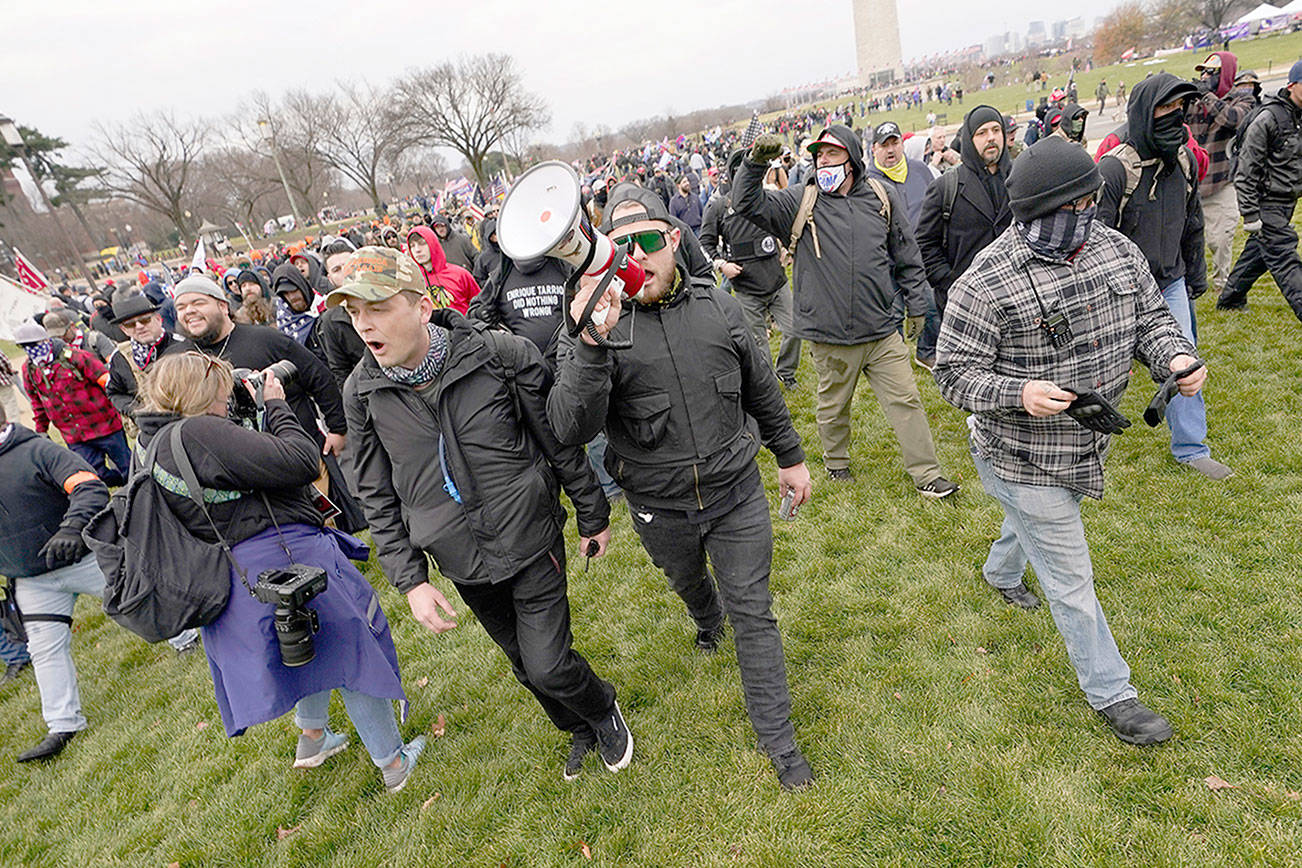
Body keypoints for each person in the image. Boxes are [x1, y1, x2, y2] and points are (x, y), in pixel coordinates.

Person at [934, 136, 1207, 746]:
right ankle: (1114, 693)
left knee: (1025, 528)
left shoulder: (1116, 250)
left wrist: (1177, 359)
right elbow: (951, 372)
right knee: (1070, 576)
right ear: (1035, 213)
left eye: (1093, 200)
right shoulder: (985, 283)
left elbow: (1151, 322)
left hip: (1088, 446)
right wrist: (1017, 393)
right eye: (1074, 205)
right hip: (1022, 455)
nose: (1088, 214)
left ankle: (1000, 574)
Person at [546, 186, 816, 791]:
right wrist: (589, 340)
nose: (634, 258)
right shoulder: (590, 324)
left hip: (736, 493)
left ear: (672, 240)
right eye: (618, 248)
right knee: (689, 581)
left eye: (646, 242)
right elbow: (568, 425)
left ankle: (778, 739)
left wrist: (791, 458)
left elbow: (761, 389)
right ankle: (704, 614)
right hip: (658, 506)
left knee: (755, 612)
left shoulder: (719, 308)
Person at [335, 246, 632, 782]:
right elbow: (375, 495)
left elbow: (558, 441)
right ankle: (579, 728)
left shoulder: (496, 353)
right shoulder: (361, 393)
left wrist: (592, 513)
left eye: (376, 308)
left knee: (549, 663)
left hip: (529, 536)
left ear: (422, 307)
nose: (363, 325)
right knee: (524, 666)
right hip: (461, 561)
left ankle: (601, 706)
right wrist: (410, 581)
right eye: (353, 313)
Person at [132, 353, 424, 791]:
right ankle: (393, 762)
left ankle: (314, 737)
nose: (226, 394)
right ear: (200, 390)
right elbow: (302, 461)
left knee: (305, 642)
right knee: (349, 648)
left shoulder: (153, 442)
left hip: (238, 573)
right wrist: (276, 405)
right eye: (220, 386)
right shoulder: (201, 431)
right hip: (286, 557)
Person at [734, 127, 960, 497]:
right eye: (819, 154)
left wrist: (918, 303)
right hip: (830, 334)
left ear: (852, 159)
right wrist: (755, 162)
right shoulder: (800, 201)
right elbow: (747, 204)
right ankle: (836, 462)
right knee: (833, 405)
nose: (823, 160)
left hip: (882, 329)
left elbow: (906, 254)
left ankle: (927, 474)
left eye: (832, 154)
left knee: (907, 400)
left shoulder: (880, 196)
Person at [1098, 73, 1231, 481]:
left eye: (1180, 109)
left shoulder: (1185, 160)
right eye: (1164, 108)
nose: (1175, 117)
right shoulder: (1115, 168)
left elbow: (1191, 224)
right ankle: (1079, 449)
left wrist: (1194, 277)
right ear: (1144, 112)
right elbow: (1096, 239)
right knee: (1099, 371)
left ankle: (1192, 449)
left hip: (1170, 282)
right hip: (1117, 290)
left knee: (1184, 363)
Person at [0, 396, 110, 760]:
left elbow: (89, 485)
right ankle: (63, 724)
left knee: (141, 600)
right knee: (45, 652)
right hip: (32, 580)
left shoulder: (39, 451)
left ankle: (188, 638)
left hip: (83, 558)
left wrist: (72, 528)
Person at [915, 106, 1013, 372]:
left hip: (1016, 299)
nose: (991, 137)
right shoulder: (946, 187)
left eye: (996, 130)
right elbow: (924, 244)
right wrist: (949, 281)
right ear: (970, 139)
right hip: (966, 303)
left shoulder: (1020, 180)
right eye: (982, 132)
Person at [700, 158, 801, 389]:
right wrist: (720, 264)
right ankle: (768, 386)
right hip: (747, 288)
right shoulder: (718, 207)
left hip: (776, 281)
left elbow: (786, 223)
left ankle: (786, 372)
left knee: (794, 329)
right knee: (758, 343)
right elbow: (704, 243)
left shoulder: (767, 197)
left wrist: (786, 247)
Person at [1217, 59, 1302, 320]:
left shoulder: (1298, 116)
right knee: (1284, 256)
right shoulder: (1268, 118)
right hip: (1266, 202)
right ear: (1292, 85)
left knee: (1258, 253)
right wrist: (1251, 214)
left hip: (1287, 201)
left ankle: (1230, 299)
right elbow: (1245, 170)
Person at [12, 320, 130, 488]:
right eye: (24, 346)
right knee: (95, 475)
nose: (30, 349)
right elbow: (37, 402)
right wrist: (42, 430)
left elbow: (107, 381)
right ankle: (122, 484)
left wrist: (124, 405)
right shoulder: (29, 370)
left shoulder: (77, 357)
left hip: (105, 426)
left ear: (46, 340)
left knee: (129, 468)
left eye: (34, 344)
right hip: (74, 436)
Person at [1188, 52, 1255, 298]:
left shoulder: (1242, 100)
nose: (1204, 77)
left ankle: (1221, 282)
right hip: (1195, 183)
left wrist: (1207, 97)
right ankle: (1192, 283)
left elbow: (1233, 120)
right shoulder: (1196, 101)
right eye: (1202, 72)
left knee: (1221, 238)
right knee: (1192, 239)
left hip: (1224, 181)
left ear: (1224, 74)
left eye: (1210, 72)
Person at [316, 237, 368, 389]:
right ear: (330, 278)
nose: (345, 272)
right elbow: (340, 370)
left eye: (348, 265)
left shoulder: (384, 297)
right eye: (336, 270)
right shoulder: (330, 321)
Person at [405, 226, 481, 315]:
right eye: (412, 246)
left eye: (422, 243)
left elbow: (480, 302)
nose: (417, 250)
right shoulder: (413, 282)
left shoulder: (460, 274)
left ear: (433, 244)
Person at [40, 311, 116, 364]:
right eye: (56, 336)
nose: (61, 338)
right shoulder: (58, 350)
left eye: (63, 334)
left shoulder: (95, 339)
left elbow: (114, 362)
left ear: (72, 326)